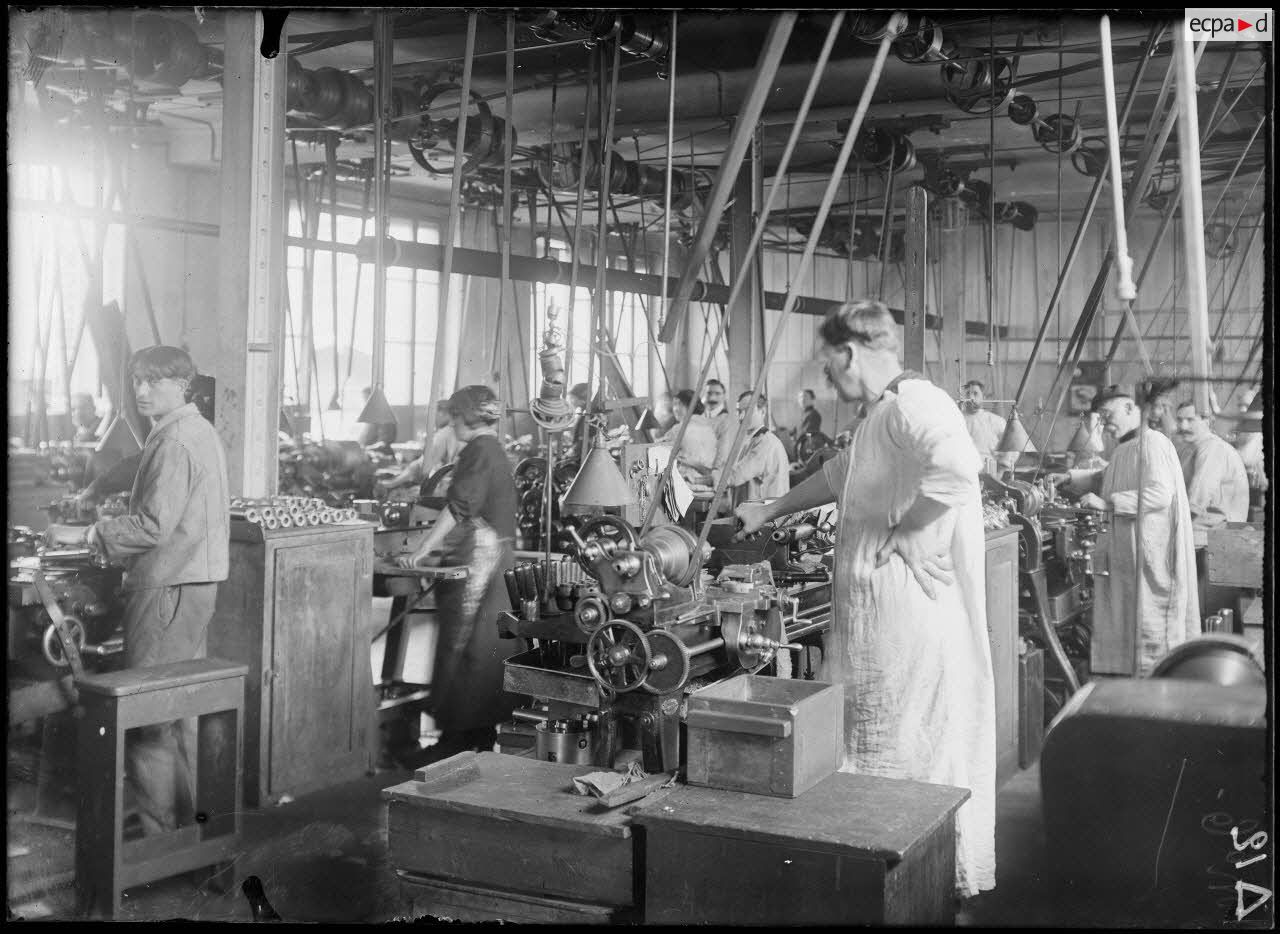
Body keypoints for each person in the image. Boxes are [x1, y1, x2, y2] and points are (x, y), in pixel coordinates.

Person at [734, 300, 996, 899]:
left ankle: (918, 890)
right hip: (874, 632)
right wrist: (769, 508)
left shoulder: (914, 403)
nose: (827, 379)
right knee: (878, 752)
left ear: (849, 354)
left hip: (906, 627)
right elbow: (839, 476)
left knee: (907, 757)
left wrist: (911, 530)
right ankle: (888, 888)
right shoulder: (884, 412)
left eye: (828, 365)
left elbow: (959, 468)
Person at [44, 345, 229, 837]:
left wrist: (93, 532)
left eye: (155, 382)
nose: (142, 391)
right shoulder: (193, 430)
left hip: (167, 586)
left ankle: (157, 841)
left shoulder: (174, 442)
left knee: (149, 717)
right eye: (137, 381)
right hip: (192, 584)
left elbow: (152, 525)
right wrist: (100, 494)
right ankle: (193, 832)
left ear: (182, 386)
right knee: (180, 710)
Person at [397, 385, 526, 763]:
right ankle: (477, 736)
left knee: (463, 645)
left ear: (465, 417)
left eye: (454, 417)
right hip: (495, 558)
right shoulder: (494, 449)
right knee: (484, 651)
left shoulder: (478, 451)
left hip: (479, 562)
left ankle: (454, 743)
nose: (451, 424)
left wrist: (423, 549)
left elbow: (459, 507)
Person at [1066, 388, 1198, 674]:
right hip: (1131, 554)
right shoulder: (1127, 447)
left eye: (1107, 414)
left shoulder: (1153, 443)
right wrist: (1069, 478)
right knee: (1133, 629)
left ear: (1129, 407)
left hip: (1150, 558)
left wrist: (1108, 503)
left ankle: (1154, 691)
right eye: (1101, 417)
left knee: (1151, 633)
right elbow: (1107, 477)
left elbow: (1160, 494)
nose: (1104, 423)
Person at [1174, 400, 1250, 531]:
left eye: (1190, 420)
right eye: (1180, 420)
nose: (1183, 426)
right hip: (1202, 523)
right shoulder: (1188, 449)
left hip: (1221, 529)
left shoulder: (1213, 448)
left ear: (1207, 421)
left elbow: (1198, 498)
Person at [720, 391, 790, 507]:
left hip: (765, 513)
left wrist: (706, 479)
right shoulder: (753, 440)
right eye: (738, 411)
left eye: (747, 411)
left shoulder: (766, 442)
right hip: (756, 511)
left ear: (762, 412)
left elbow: (736, 475)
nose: (741, 417)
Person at [379, 402, 462, 497]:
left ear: (442, 413)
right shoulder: (454, 431)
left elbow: (423, 463)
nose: (432, 419)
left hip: (448, 488)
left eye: (433, 415)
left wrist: (392, 483)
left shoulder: (444, 434)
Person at [658, 389, 718, 485]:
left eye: (678, 404)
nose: (675, 409)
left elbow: (658, 447)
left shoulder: (680, 428)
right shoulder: (709, 427)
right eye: (674, 405)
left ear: (690, 406)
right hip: (709, 480)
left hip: (688, 481)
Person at [960, 379, 1013, 476]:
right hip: (962, 474)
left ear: (983, 398)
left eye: (975, 393)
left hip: (988, 475)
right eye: (968, 394)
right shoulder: (956, 419)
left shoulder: (996, 421)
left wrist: (1001, 470)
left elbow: (1012, 444)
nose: (971, 397)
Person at [701, 378, 734, 481]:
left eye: (717, 394)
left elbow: (723, 453)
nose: (712, 397)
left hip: (713, 474)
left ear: (724, 396)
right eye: (709, 393)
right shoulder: (700, 417)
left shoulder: (727, 421)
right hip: (697, 468)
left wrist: (713, 474)